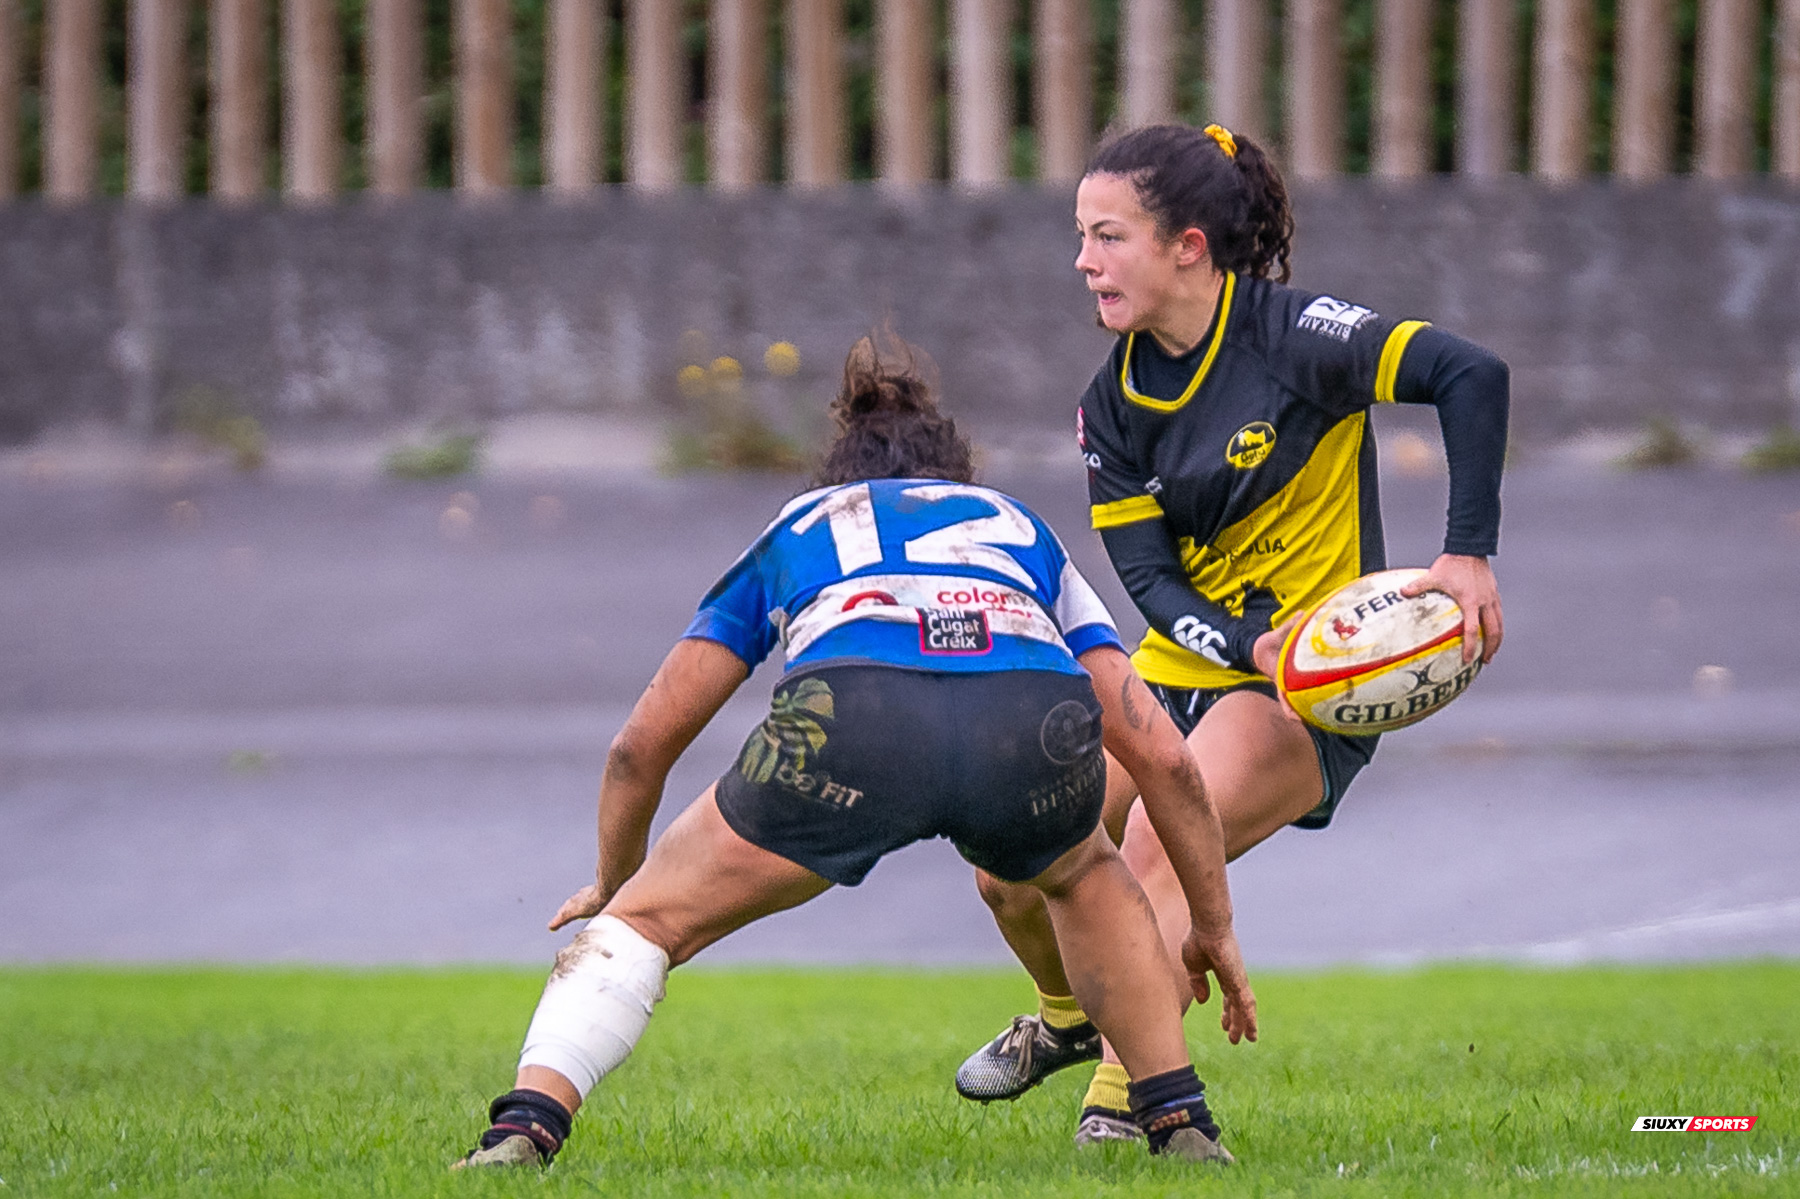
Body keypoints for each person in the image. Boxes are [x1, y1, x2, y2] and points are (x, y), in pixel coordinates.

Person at [455, 335, 1258, 1171]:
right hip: (1026, 717)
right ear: (957, 479)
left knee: (643, 926)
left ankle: (522, 1128)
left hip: (853, 717)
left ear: (840, 477)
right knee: (1086, 871)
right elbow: (1163, 757)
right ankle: (1180, 1118)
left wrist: (619, 882)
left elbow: (640, 746)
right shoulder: (1016, 525)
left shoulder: (804, 525)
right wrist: (1215, 925)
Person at [956, 123, 1510, 1145]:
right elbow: (1148, 578)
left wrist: (1466, 550)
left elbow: (1469, 374)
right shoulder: (1113, 402)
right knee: (1007, 849)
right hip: (1192, 661)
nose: (1083, 259)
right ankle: (1072, 1018)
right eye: (1081, 235)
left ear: (1188, 247)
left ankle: (1127, 1107)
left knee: (1152, 847)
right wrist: (1240, 639)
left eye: (1106, 235)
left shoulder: (1298, 338)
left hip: (1304, 688)